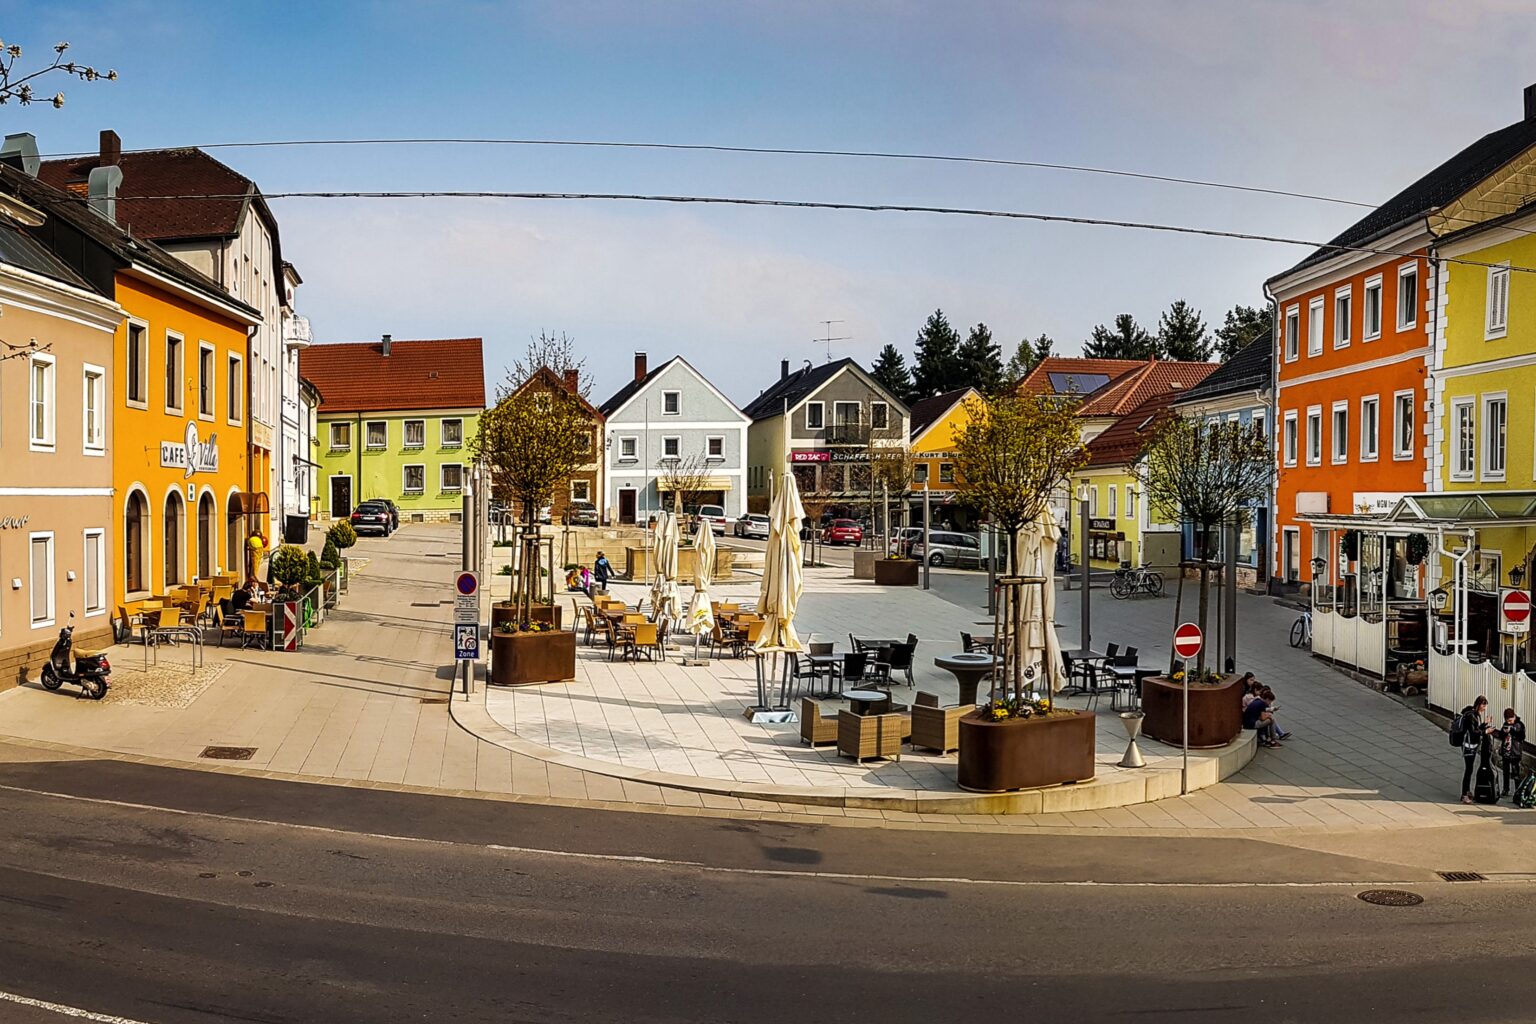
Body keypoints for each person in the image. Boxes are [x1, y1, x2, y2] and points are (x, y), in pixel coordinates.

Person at [1459, 696, 1495, 804]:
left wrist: (1484, 724)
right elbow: (1474, 732)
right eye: (1484, 705)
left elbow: (1476, 729)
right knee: (1468, 770)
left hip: (1472, 746)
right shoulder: (1472, 716)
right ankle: (1464, 794)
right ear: (1479, 704)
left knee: (1469, 770)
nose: (1484, 708)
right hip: (1468, 747)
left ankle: (1467, 791)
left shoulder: (1476, 715)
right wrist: (1485, 731)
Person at [1497, 707, 1526, 797]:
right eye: (1507, 720)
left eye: (1510, 720)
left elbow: (1522, 736)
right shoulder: (1505, 724)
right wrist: (1504, 732)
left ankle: (1518, 790)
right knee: (1505, 772)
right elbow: (1500, 736)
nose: (1509, 722)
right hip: (1506, 752)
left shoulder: (1519, 724)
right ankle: (1506, 789)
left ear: (1514, 717)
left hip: (1515, 752)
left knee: (1515, 772)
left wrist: (1512, 731)